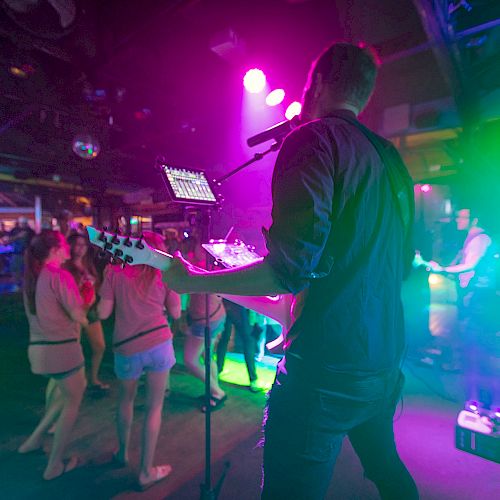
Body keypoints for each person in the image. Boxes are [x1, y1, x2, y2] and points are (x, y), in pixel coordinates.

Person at [164, 42, 418, 499]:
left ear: (317, 83)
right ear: (365, 92)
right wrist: (296, 309)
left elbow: (288, 271)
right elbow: (393, 268)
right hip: (383, 364)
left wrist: (191, 280)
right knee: (389, 473)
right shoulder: (391, 159)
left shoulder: (313, 138)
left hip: (324, 371)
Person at [98, 231, 181, 490]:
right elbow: (176, 312)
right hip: (158, 343)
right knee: (154, 408)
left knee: (126, 401)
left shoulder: (114, 272)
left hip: (126, 347)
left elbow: (103, 312)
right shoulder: (165, 274)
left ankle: (122, 453)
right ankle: (146, 471)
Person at [19, 230, 89, 480]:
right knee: (73, 399)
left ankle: (33, 441)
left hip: (38, 351)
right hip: (62, 351)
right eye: (64, 245)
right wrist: (87, 302)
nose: (69, 249)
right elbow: (77, 315)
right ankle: (54, 465)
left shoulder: (31, 277)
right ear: (55, 250)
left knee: (64, 395)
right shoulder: (59, 276)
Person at [428, 208, 499, 407]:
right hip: (475, 299)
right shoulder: (471, 239)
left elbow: (471, 266)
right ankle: (478, 400)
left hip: (480, 300)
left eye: (462, 216)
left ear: (474, 219)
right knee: (473, 349)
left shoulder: (479, 239)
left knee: (479, 350)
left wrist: (442, 269)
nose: (457, 219)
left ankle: (490, 403)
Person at [183, 239, 227, 411]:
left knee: (190, 360)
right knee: (208, 357)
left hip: (205, 321)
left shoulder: (199, 268)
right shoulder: (213, 267)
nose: (193, 251)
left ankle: (217, 392)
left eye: (196, 248)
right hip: (216, 317)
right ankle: (213, 392)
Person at [64, 233, 109, 392]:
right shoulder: (65, 267)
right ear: (70, 246)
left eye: (84, 244)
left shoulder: (88, 264)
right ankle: (72, 383)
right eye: (78, 244)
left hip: (90, 310)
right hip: (74, 310)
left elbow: (97, 284)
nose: (82, 248)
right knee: (73, 348)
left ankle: (93, 379)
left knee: (99, 346)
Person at [216, 300, 265, 392]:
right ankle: (253, 379)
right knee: (248, 341)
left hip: (226, 302)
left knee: (225, 338)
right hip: (239, 304)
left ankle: (217, 370)